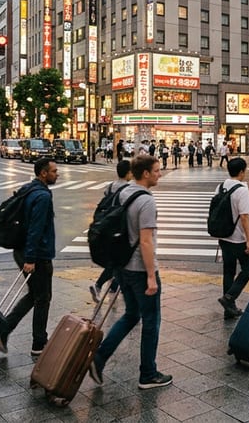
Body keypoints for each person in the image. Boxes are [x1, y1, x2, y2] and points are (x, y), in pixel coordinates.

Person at [89, 154, 172, 389]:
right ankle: (148, 373)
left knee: (131, 315)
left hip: (121, 266)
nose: (160, 174)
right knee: (151, 321)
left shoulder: (123, 191)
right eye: (156, 171)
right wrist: (150, 276)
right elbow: (146, 242)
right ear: (145, 173)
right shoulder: (146, 201)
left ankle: (100, 357)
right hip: (139, 269)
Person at [0, 158, 58, 356]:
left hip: (21, 250)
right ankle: (38, 343)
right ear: (43, 173)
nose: (57, 174)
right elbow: (35, 229)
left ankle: (5, 330)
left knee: (35, 295)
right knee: (43, 298)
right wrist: (31, 259)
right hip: (36, 255)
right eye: (54, 171)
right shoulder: (42, 197)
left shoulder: (29, 188)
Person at [89, 159, 136, 303]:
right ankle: (100, 285)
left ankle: (114, 287)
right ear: (128, 173)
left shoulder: (110, 187)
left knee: (116, 260)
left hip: (107, 226)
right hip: (119, 229)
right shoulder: (128, 189)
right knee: (118, 262)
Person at [216, 157, 249, 319]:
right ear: (241, 172)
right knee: (248, 269)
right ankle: (229, 298)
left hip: (224, 236)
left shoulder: (220, 187)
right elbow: (244, 217)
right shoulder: (242, 189)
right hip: (238, 238)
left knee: (228, 272)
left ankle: (229, 310)